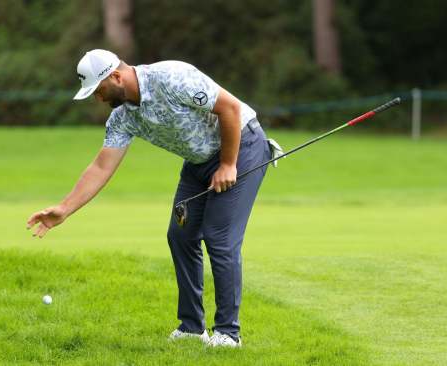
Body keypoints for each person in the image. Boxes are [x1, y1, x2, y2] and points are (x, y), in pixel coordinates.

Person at [27, 49, 281, 347]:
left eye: (98, 90)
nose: (98, 99)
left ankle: (227, 333)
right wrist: (64, 209)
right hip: (197, 162)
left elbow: (230, 109)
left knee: (219, 237)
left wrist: (227, 164)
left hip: (242, 146)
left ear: (116, 76)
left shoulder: (171, 77)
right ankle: (191, 328)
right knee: (180, 235)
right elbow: (100, 167)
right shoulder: (122, 118)